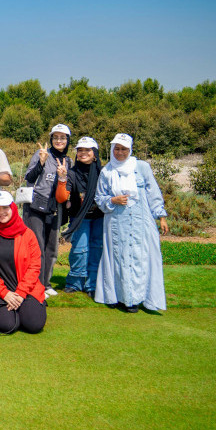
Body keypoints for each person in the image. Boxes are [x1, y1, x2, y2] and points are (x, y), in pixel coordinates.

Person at [94, 133, 169, 312]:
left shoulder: (142, 167)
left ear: (130, 149)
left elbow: (153, 192)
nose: (120, 152)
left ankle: (137, 298)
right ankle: (118, 297)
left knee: (140, 257)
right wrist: (113, 200)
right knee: (118, 257)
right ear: (112, 150)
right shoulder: (107, 171)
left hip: (141, 222)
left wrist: (161, 216)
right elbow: (99, 197)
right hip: (116, 222)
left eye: (124, 149)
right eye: (117, 149)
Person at [0, 191, 47, 334]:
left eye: (5, 207)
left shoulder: (28, 234)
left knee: (34, 325)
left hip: (26, 290)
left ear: (12, 207)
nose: (1, 212)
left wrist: (20, 293)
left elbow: (34, 266)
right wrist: (5, 293)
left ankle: (26, 309)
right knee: (8, 326)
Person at [22, 124, 72, 297]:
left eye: (62, 138)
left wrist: (64, 176)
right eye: (55, 137)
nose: (59, 141)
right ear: (51, 139)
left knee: (51, 247)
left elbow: (67, 187)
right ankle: (35, 284)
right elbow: (29, 178)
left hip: (55, 208)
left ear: (67, 140)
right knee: (36, 246)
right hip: (35, 204)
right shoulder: (41, 154)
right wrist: (41, 163)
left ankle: (46, 282)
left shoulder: (69, 160)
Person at [55, 136, 103, 297]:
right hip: (79, 218)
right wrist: (62, 178)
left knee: (96, 249)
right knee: (79, 250)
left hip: (99, 217)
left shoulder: (102, 173)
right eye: (80, 150)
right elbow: (62, 198)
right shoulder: (73, 173)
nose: (83, 153)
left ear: (94, 153)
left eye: (87, 150)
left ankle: (92, 284)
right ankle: (75, 282)